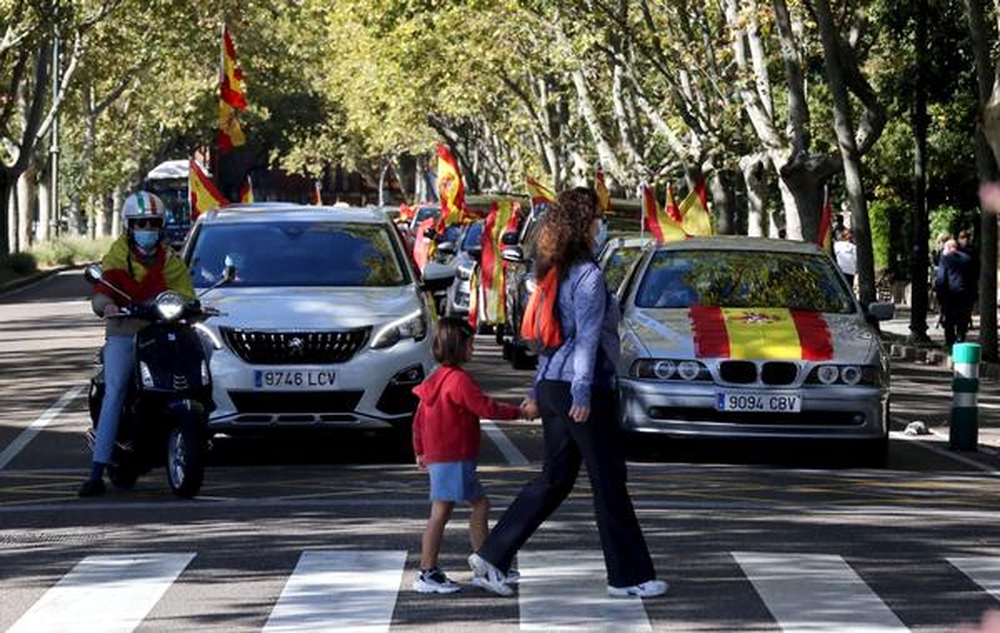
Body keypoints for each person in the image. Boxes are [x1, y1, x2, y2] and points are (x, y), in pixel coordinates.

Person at [468, 187, 667, 599]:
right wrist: (582, 395)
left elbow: (548, 340)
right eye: (598, 217)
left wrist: (537, 389)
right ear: (585, 223)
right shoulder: (589, 276)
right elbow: (587, 341)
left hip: (554, 384)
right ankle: (628, 578)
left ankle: (491, 555)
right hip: (584, 388)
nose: (602, 223)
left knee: (555, 478)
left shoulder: (553, 270)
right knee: (609, 480)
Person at [79, 191, 195, 497]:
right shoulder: (116, 257)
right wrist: (106, 307)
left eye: (153, 223)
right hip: (124, 333)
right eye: (141, 223)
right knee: (115, 389)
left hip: (161, 333)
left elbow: (186, 293)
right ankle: (96, 471)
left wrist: (192, 306)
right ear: (129, 226)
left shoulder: (172, 260)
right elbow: (103, 293)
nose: (148, 229)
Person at [411, 316, 524, 593]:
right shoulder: (459, 381)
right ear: (457, 346)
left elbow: (418, 421)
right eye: (470, 343)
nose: (473, 348)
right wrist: (521, 412)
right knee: (467, 508)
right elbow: (487, 408)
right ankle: (437, 570)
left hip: (442, 456)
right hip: (455, 456)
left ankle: (479, 565)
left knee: (457, 508)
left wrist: (420, 450)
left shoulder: (436, 379)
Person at [934, 238, 974, 350]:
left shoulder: (946, 259)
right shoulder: (968, 259)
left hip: (950, 295)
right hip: (965, 294)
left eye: (945, 249)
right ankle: (961, 339)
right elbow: (973, 278)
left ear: (949, 248)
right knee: (963, 319)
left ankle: (950, 344)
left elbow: (941, 279)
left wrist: (939, 295)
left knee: (949, 320)